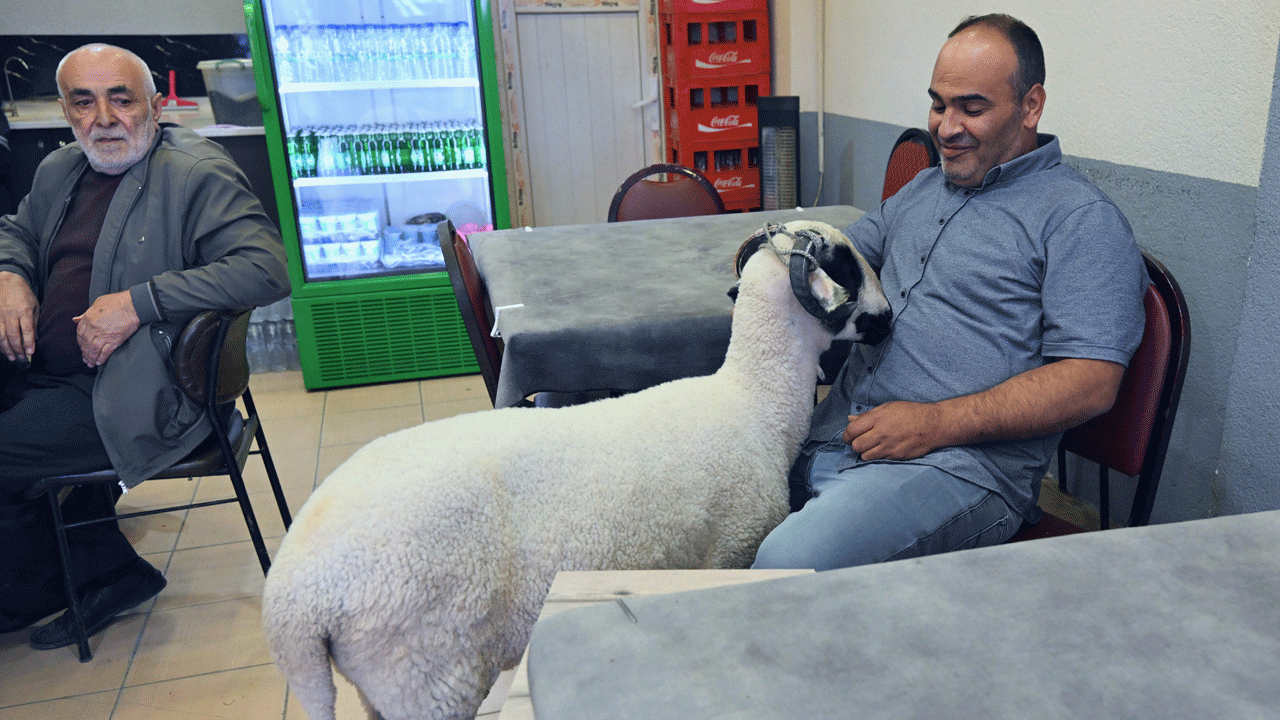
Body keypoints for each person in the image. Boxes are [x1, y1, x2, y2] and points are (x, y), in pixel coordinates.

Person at [752, 14, 1148, 570]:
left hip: (955, 467)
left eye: (972, 107)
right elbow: (842, 253)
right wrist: (777, 256)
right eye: (939, 104)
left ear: (1031, 106)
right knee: (696, 500)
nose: (945, 126)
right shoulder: (926, 186)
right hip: (838, 434)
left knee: (785, 565)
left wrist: (936, 423)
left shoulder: (1080, 220)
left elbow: (1091, 381)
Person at [0, 44, 290, 649]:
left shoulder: (193, 172)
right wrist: (11, 276)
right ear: (65, 110)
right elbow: (18, 232)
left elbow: (266, 268)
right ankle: (78, 556)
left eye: (121, 98)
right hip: (47, 369)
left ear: (155, 105)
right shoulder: (60, 170)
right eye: (84, 101)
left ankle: (77, 578)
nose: (103, 117)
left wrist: (138, 302)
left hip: (133, 390)